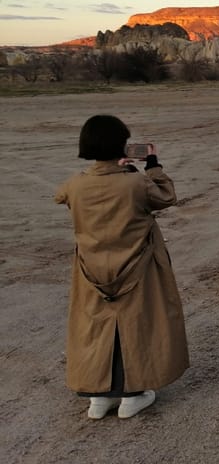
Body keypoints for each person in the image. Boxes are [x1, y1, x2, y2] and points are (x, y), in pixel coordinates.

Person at [55, 115, 189, 419]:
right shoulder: (136, 183)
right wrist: (152, 165)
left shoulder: (76, 184)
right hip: (137, 268)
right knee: (136, 325)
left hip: (91, 271)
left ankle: (98, 395)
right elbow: (166, 196)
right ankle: (134, 392)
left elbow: (60, 195)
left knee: (96, 327)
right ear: (122, 146)